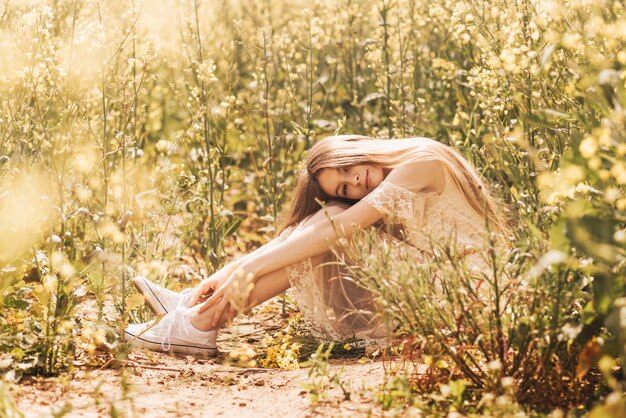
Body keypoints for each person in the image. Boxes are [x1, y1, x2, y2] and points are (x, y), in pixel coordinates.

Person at [124, 135, 510, 357]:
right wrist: (230, 271)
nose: (356, 182)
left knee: (333, 228)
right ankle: (197, 305)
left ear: (355, 148)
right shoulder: (396, 174)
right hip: (439, 283)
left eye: (346, 168)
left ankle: (201, 321)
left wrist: (248, 269)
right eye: (344, 187)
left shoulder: (421, 162)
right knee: (320, 223)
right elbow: (323, 224)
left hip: (468, 297)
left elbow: (340, 226)